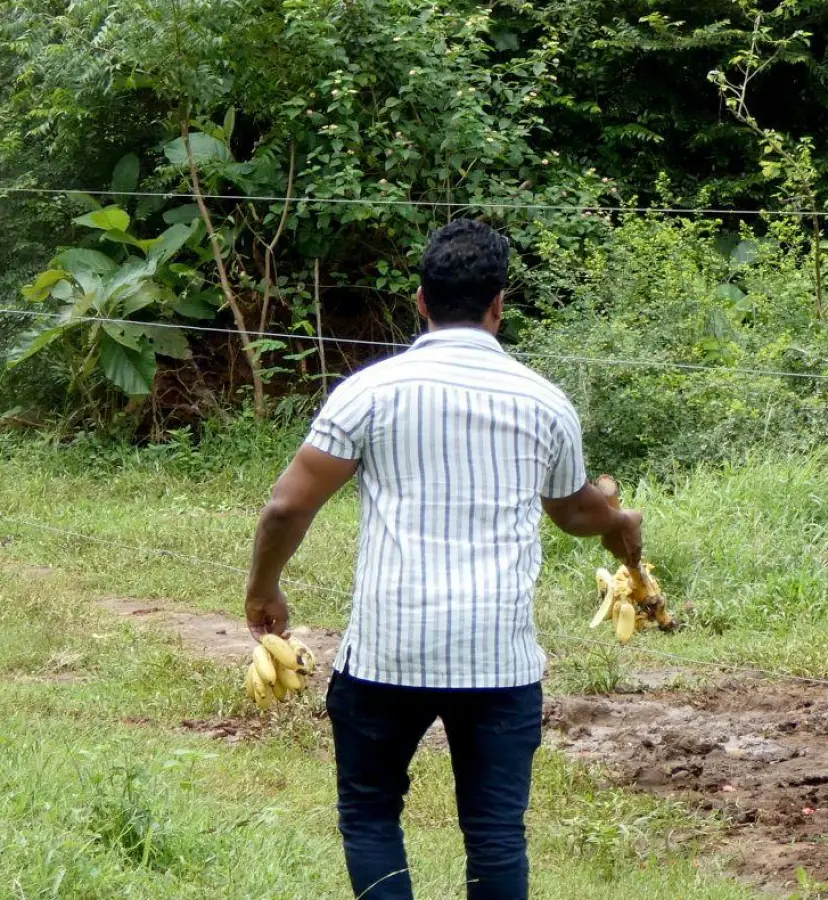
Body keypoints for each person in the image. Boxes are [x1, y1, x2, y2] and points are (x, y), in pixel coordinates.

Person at [243, 218, 642, 900]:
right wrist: (621, 526)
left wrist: (264, 590)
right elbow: (578, 511)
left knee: (371, 814)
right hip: (498, 660)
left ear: (421, 301)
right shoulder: (544, 402)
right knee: (494, 832)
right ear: (499, 305)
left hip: (387, 652)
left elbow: (287, 506)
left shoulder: (369, 392)